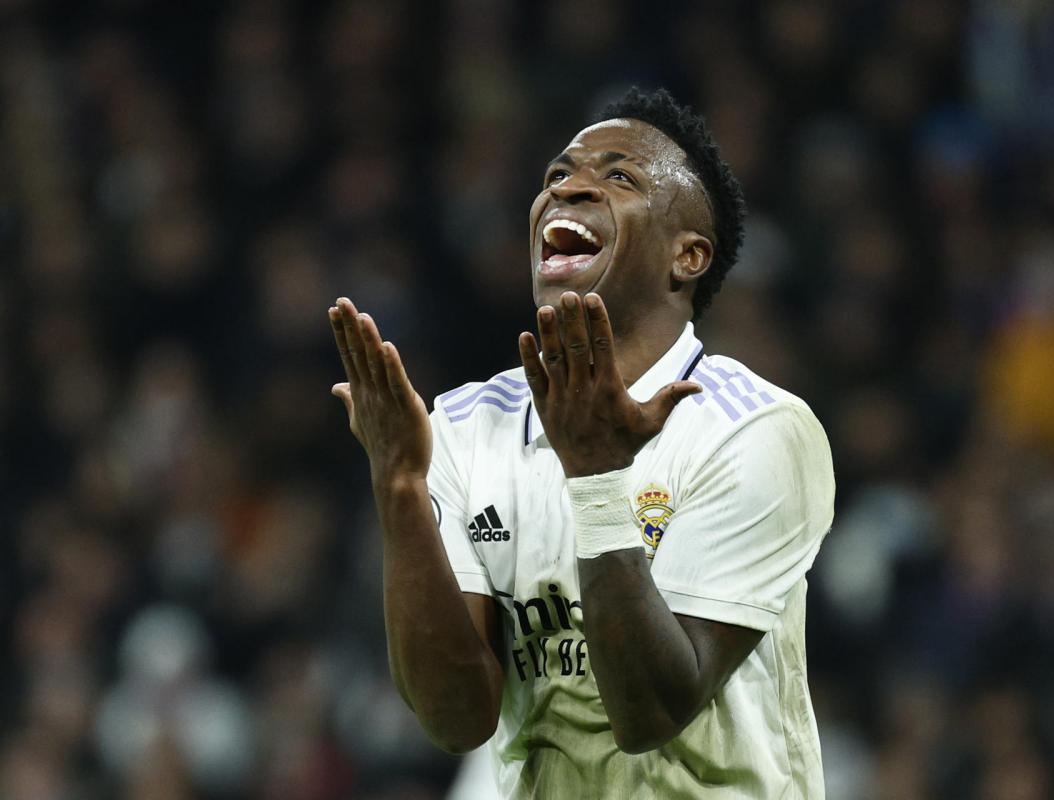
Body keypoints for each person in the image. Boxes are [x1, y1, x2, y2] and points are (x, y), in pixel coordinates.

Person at [328, 87, 836, 799]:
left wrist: (596, 478)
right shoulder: (465, 428)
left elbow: (651, 711)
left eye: (619, 176)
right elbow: (456, 719)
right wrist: (400, 486)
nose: (568, 188)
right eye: (557, 174)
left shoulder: (756, 429)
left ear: (688, 255)